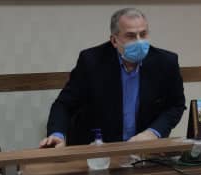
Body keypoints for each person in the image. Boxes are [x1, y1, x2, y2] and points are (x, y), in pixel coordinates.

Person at [40, 8, 186, 147]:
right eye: (130, 36)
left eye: (143, 34)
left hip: (143, 150)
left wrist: (153, 132)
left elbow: (176, 105)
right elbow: (64, 104)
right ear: (114, 40)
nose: (139, 41)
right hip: (99, 149)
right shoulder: (91, 61)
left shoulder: (166, 62)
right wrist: (57, 134)